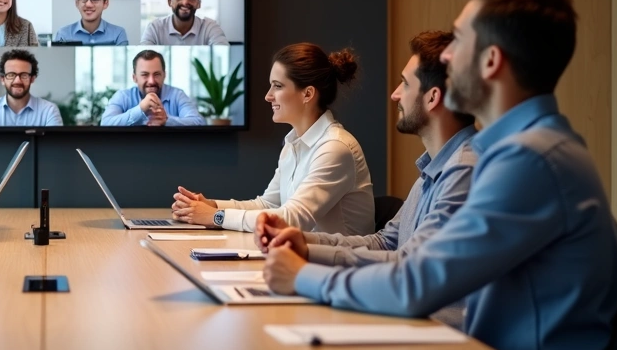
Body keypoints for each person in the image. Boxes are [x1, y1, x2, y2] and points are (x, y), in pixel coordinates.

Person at [263, 0, 617, 350]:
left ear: (490, 61)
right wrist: (307, 250)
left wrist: (301, 275)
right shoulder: (523, 150)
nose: (447, 56)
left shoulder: (529, 160)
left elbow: (414, 282)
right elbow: (407, 261)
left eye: (458, 40)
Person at [254, 31, 477, 327]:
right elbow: (386, 242)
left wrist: (304, 274)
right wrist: (306, 245)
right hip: (412, 321)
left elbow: (408, 269)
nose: (395, 94)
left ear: (433, 97)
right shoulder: (434, 167)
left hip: (436, 333)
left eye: (405, 84)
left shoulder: (463, 170)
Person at [171, 43, 374, 235]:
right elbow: (268, 205)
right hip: (306, 260)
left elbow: (292, 219)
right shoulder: (293, 143)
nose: (268, 96)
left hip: (340, 268)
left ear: (308, 94)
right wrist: (211, 206)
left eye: (277, 86)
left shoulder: (335, 148)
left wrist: (216, 217)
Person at [101, 50, 204, 126]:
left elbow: (199, 122)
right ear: (134, 78)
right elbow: (105, 123)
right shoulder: (123, 96)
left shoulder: (178, 95)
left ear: (164, 75)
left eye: (157, 74)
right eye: (145, 74)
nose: (151, 81)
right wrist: (140, 109)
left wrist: (166, 120)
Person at [0, 49, 63, 127]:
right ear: (2, 79)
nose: (17, 81)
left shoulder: (49, 110)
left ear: (32, 79)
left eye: (24, 75)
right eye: (11, 75)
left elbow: (54, 144)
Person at [140, 0, 229, 45]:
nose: (185, 2)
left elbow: (223, 50)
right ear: (169, 2)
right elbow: (144, 55)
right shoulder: (155, 28)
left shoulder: (210, 27)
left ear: (198, 4)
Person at [52, 0, 129, 45]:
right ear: (77, 3)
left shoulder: (118, 34)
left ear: (105, 3)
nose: (88, 4)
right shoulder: (63, 34)